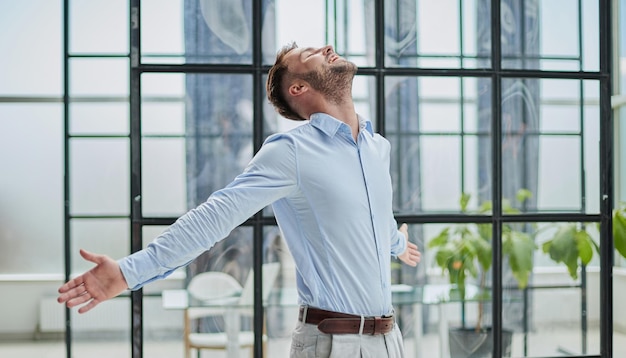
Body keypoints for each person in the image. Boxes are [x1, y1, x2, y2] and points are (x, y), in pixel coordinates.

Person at [58, 43, 421, 358]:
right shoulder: (291, 152)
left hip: (389, 340)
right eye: (309, 54)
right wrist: (127, 272)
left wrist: (398, 244)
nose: (326, 48)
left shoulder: (377, 148)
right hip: (331, 343)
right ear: (297, 87)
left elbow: (374, 217)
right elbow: (213, 217)